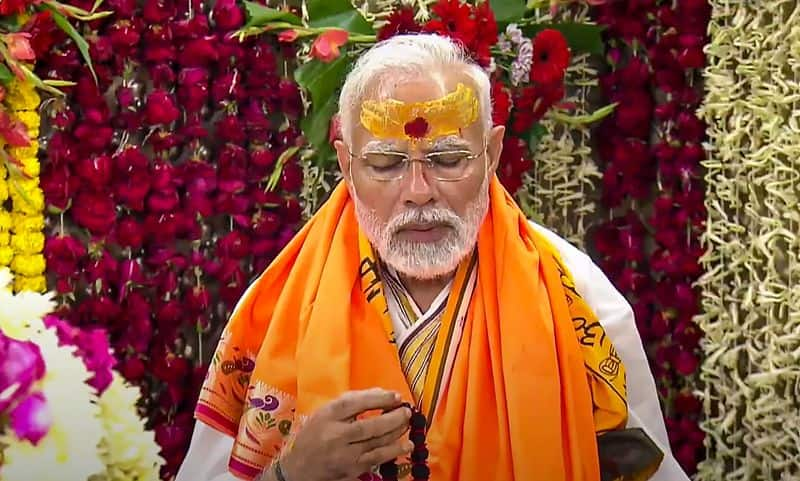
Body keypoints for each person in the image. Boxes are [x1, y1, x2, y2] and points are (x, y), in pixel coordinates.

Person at [176, 34, 689, 481]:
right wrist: (291, 474)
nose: (418, 192)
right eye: (385, 163)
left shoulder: (576, 297)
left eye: (447, 160)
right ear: (346, 163)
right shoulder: (279, 308)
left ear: (491, 153)